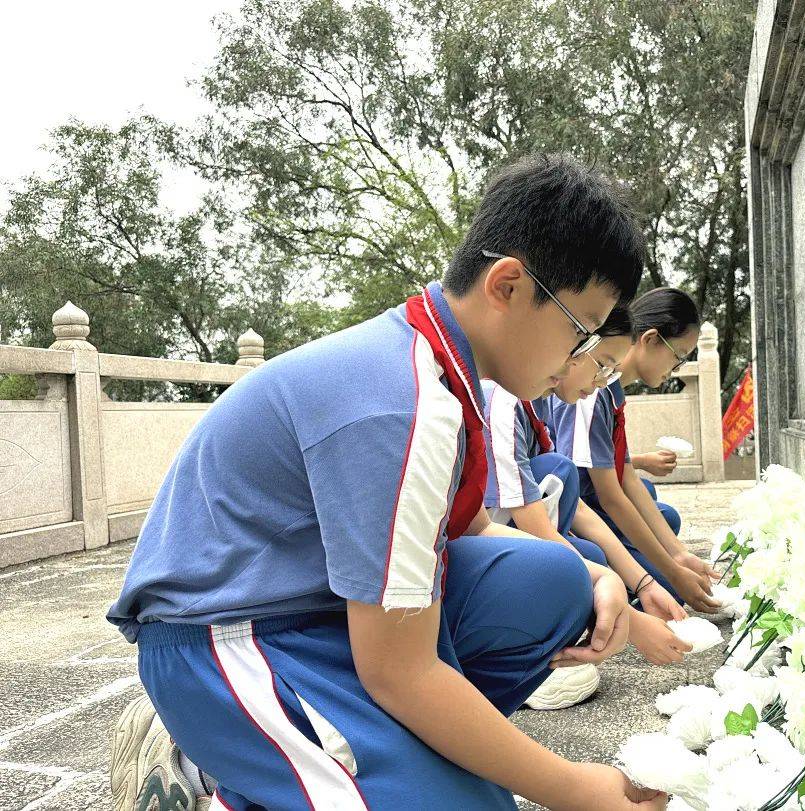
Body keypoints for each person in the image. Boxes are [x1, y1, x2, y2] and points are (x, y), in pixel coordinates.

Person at [106, 154, 668, 811]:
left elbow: (465, 527)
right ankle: (216, 771)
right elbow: (400, 671)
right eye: (581, 330)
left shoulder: (438, 363)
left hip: (327, 612)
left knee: (553, 579)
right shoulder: (405, 401)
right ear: (508, 285)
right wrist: (574, 787)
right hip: (226, 638)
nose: (582, 360)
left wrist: (598, 575)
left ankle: (382, 762)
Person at [481, 306, 694, 711]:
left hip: (512, 537)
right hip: (484, 548)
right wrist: (632, 624)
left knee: (593, 555)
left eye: (610, 372)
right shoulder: (505, 401)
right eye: (602, 365)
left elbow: (580, 509)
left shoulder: (539, 403)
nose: (600, 382)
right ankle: (524, 657)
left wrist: (644, 584)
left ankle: (551, 635)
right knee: (564, 494)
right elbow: (543, 528)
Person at [552, 287, 719, 614]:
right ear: (651, 339)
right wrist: (670, 571)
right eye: (678, 355)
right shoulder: (591, 389)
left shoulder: (611, 389)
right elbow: (611, 495)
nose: (676, 367)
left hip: (592, 502)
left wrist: (679, 554)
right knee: (671, 587)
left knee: (662, 514)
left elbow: (625, 476)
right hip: (578, 510)